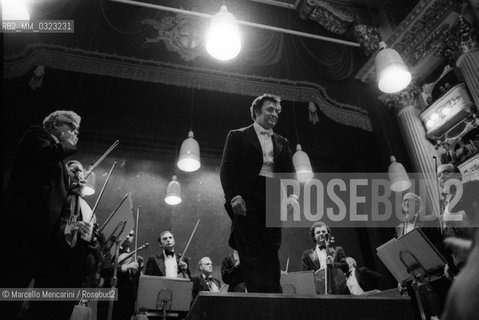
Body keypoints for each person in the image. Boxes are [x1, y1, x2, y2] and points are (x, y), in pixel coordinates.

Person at [1, 110, 81, 320]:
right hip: (23, 228)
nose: (75, 132)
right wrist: (65, 146)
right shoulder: (37, 135)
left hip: (44, 238)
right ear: (55, 124)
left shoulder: (60, 159)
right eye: (71, 126)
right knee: (10, 289)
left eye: (77, 129)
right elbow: (39, 160)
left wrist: (73, 188)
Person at [220, 93, 294, 293]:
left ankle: (274, 304)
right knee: (251, 257)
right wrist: (233, 197)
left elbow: (290, 175)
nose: (275, 114)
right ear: (256, 112)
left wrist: (292, 197)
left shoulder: (283, 142)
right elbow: (227, 170)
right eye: (270, 109)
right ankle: (258, 304)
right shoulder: (237, 135)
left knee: (271, 253)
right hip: (247, 202)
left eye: (277, 111)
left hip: (272, 202)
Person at [98, 230, 142, 320]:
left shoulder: (136, 257)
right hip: (110, 299)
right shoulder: (110, 251)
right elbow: (104, 270)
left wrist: (137, 271)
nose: (127, 236)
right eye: (125, 233)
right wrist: (124, 267)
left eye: (131, 235)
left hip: (127, 302)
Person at [301, 222, 348, 294]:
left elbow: (346, 267)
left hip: (338, 289)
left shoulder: (338, 249)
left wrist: (333, 264)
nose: (321, 234)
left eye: (323, 231)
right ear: (314, 237)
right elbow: (305, 276)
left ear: (328, 234)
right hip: (318, 292)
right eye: (318, 232)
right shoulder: (307, 254)